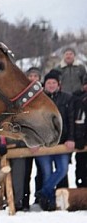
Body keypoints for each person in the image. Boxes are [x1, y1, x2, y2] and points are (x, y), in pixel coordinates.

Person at [35, 70, 75, 211]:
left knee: (63, 169)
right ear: (44, 85)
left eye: (54, 83)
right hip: (44, 143)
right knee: (46, 172)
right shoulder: (38, 99)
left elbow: (71, 120)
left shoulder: (67, 98)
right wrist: (35, 142)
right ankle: (49, 202)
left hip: (62, 142)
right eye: (48, 83)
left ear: (59, 84)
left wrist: (70, 138)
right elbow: (34, 122)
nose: (51, 85)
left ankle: (43, 191)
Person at [10, 68, 42, 210]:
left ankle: (30, 200)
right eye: (30, 76)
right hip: (19, 143)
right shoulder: (20, 97)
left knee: (31, 174)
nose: (33, 78)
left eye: (36, 76)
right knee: (18, 175)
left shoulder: (42, 99)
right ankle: (18, 202)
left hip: (36, 143)